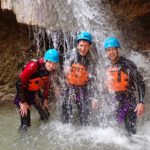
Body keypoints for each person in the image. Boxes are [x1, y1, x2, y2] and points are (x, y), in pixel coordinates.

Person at [99, 37, 145, 134]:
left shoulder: (127, 64)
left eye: (113, 49)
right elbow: (102, 85)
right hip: (113, 101)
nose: (111, 52)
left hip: (128, 100)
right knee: (108, 130)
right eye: (108, 50)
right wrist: (98, 99)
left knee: (130, 131)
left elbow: (140, 83)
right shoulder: (105, 65)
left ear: (117, 49)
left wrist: (141, 102)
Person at [14, 48, 59, 132]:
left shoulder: (52, 69)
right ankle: (22, 141)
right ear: (45, 60)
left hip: (35, 93)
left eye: (54, 63)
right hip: (23, 93)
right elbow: (19, 83)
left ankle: (40, 132)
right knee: (25, 125)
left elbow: (47, 84)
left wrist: (45, 99)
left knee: (45, 115)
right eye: (50, 62)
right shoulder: (33, 66)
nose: (52, 65)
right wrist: (23, 102)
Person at [61, 31, 96, 126]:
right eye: (81, 45)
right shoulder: (70, 55)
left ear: (89, 46)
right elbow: (64, 73)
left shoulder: (91, 59)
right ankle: (65, 126)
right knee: (66, 108)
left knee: (85, 114)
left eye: (86, 46)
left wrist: (94, 97)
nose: (83, 48)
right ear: (77, 45)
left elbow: (93, 79)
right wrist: (68, 88)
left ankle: (84, 128)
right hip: (70, 86)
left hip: (83, 87)